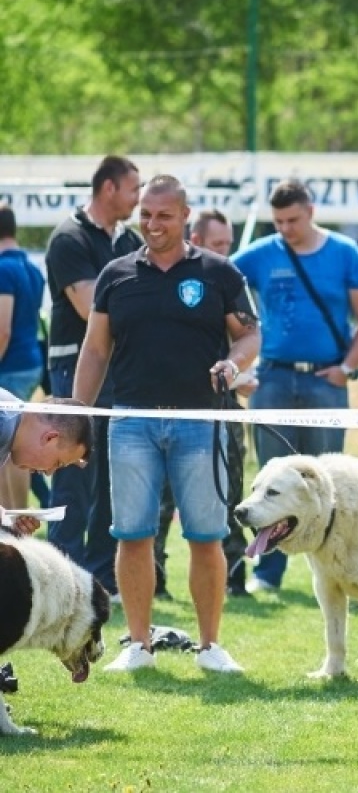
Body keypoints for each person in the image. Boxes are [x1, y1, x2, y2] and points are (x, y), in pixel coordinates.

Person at [74, 175, 260, 673]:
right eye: (146, 215)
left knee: (205, 536)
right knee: (132, 534)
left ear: (185, 216)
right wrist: (77, 416)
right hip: (131, 423)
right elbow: (95, 350)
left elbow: (249, 335)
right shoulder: (115, 274)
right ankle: (139, 645)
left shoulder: (220, 273)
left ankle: (210, 647)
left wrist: (234, 363)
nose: (152, 224)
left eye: (164, 216)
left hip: (201, 422)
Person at [233, 179, 358, 594]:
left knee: (328, 480)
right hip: (273, 377)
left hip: (325, 379)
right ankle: (267, 573)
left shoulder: (344, 252)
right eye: (278, 221)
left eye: (293, 220)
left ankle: (338, 568)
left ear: (311, 212)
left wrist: (347, 368)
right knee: (269, 482)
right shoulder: (261, 253)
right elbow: (217, 285)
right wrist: (240, 362)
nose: (285, 229)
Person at [44, 155, 143, 598]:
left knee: (112, 478)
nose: (138, 199)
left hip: (120, 369)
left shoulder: (130, 240)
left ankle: (102, 580)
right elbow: (89, 309)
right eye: (133, 189)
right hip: (75, 366)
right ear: (109, 188)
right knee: (72, 471)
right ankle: (60, 578)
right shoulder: (69, 238)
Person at [153, 210, 254, 600]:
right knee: (162, 499)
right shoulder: (169, 279)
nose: (225, 251)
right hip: (169, 406)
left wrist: (241, 374)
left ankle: (235, 575)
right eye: (217, 244)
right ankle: (156, 578)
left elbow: (247, 338)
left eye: (228, 243)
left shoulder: (229, 279)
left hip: (223, 405)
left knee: (231, 491)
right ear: (194, 239)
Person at [0, 206, 48, 513]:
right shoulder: (31, 268)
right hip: (31, 361)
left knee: (11, 448)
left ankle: (14, 519)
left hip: (9, 366)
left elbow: (2, 329)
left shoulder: (3, 270)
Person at [0, 389, 94, 536]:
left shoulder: (10, 420)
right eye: (58, 463)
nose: (49, 472)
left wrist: (7, 523)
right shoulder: (3, 424)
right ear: (50, 438)